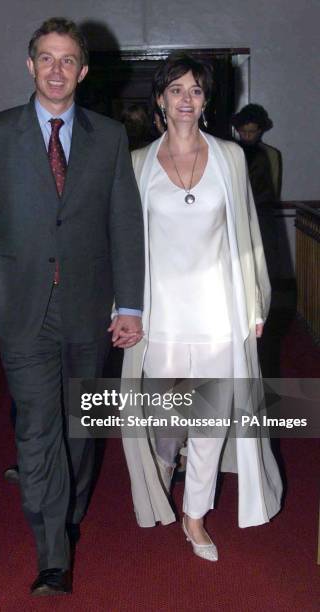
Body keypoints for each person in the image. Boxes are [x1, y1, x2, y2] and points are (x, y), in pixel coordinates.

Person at [0, 17, 144, 596]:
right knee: (39, 431)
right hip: (22, 311)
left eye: (68, 60)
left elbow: (124, 227)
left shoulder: (110, 137)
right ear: (30, 65)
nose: (56, 70)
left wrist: (130, 305)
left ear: (83, 71)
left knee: (82, 429)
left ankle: (69, 508)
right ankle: (52, 552)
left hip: (90, 310)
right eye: (46, 58)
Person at [121, 52, 282, 562]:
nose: (185, 99)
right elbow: (123, 244)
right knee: (161, 419)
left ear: (206, 100)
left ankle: (194, 516)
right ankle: (161, 477)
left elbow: (250, 238)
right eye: (176, 90)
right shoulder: (138, 163)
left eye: (195, 90)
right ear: (161, 101)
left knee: (211, 420)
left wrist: (255, 302)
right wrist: (119, 308)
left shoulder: (230, 157)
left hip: (218, 312)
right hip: (159, 314)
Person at [232, 103, 282, 280]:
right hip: (237, 215)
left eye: (251, 132)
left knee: (263, 267)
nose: (246, 136)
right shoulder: (232, 152)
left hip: (262, 216)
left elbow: (273, 189)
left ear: (260, 131)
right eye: (243, 131)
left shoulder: (270, 155)